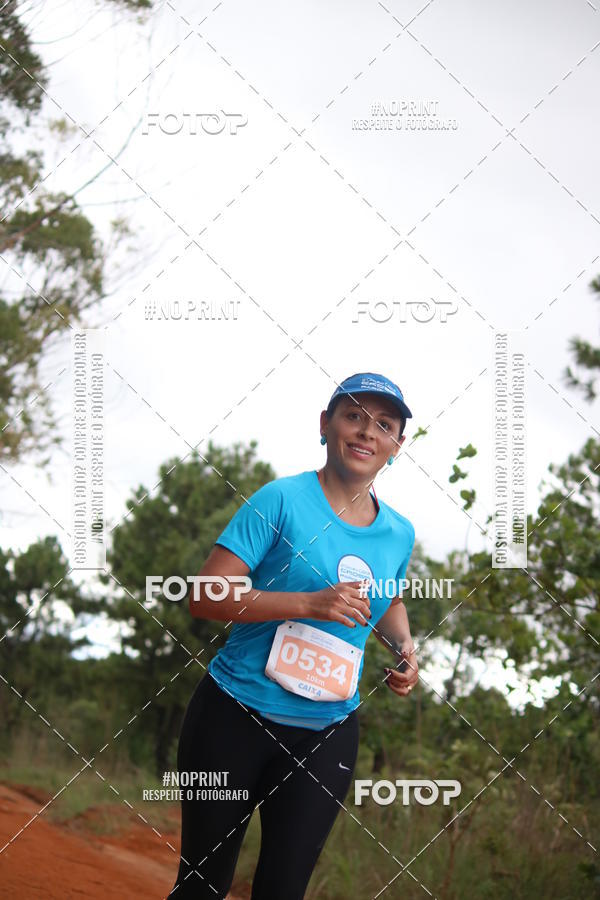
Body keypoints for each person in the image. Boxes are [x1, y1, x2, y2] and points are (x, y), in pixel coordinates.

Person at [169, 372, 419, 899]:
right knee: (203, 885)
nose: (366, 432)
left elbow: (389, 598)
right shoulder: (280, 499)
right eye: (353, 416)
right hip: (233, 716)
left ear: (396, 446)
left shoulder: (399, 532)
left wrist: (404, 646)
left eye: (383, 425)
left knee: (283, 891)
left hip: (326, 731)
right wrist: (309, 603)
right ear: (326, 425)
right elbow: (206, 594)